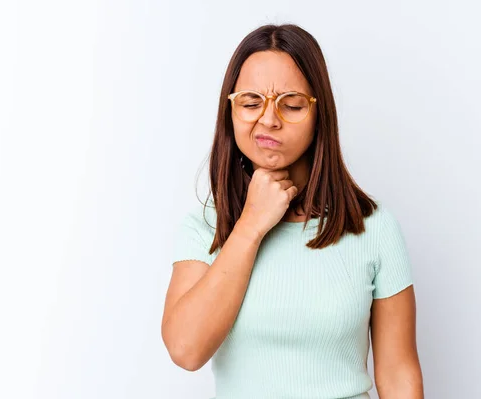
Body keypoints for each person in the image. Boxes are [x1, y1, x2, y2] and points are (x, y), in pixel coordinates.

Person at [161, 23, 424, 399]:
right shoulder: (204, 228)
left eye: (292, 104)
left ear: (320, 115)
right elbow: (185, 350)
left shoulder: (373, 228)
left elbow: (399, 374)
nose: (269, 118)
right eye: (251, 102)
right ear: (230, 111)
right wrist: (251, 224)